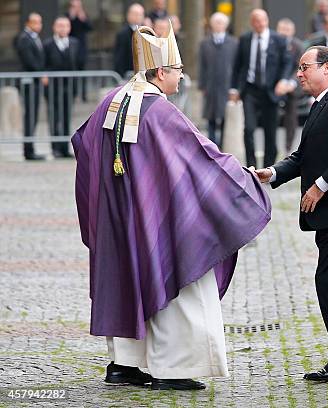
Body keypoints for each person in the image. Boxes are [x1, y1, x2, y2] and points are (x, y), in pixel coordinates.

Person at [72, 23, 271, 391]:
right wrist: (241, 177)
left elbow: (82, 142)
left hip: (117, 219)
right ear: (161, 72)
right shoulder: (161, 112)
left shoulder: (111, 101)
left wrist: (112, 200)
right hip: (155, 220)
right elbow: (199, 158)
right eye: (178, 71)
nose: (182, 77)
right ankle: (174, 367)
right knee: (178, 274)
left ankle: (125, 365)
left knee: (126, 281)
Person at [255, 46, 328, 382]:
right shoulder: (322, 103)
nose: (299, 74)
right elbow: (303, 156)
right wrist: (272, 173)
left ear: (326, 68)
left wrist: (320, 186)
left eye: (304, 67)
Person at [229, 9, 292, 168]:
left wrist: (283, 81)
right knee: (249, 129)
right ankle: (251, 166)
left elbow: (287, 63)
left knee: (270, 131)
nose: (260, 24)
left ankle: (268, 168)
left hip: (270, 90)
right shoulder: (245, 39)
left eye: (262, 20)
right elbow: (237, 66)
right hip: (250, 90)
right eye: (256, 21)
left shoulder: (278, 40)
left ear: (267, 21)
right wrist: (234, 90)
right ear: (252, 23)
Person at [198, 12, 238, 146]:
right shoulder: (205, 43)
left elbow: (237, 65)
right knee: (211, 117)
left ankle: (222, 145)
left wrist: (235, 87)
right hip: (210, 85)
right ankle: (212, 144)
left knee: (225, 116)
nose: (218, 25)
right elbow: (202, 66)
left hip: (226, 85)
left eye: (221, 23)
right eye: (216, 22)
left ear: (226, 25)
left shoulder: (233, 43)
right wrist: (202, 85)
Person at [43, 16, 80, 158]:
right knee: (54, 116)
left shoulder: (75, 43)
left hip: (69, 87)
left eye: (66, 26)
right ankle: (55, 148)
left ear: (69, 28)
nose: (63, 29)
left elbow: (78, 64)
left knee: (66, 117)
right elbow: (44, 64)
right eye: (60, 26)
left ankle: (65, 148)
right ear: (54, 27)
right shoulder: (47, 44)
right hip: (53, 87)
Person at [14, 12, 46, 160]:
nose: (38, 25)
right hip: (29, 82)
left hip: (34, 82)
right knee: (30, 116)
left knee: (33, 116)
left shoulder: (33, 38)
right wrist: (41, 74)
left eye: (40, 22)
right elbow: (30, 61)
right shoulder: (25, 39)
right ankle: (28, 150)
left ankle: (30, 148)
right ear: (28, 23)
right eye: (35, 22)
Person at [276, 18, 304, 153]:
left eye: (287, 30)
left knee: (291, 118)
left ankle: (288, 147)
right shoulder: (272, 43)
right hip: (275, 86)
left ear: (292, 31)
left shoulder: (298, 46)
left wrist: (290, 83)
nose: (284, 33)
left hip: (292, 86)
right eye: (282, 30)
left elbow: (299, 66)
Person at [66, 0, 92, 99]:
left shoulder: (83, 16)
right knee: (73, 72)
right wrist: (71, 17)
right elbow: (67, 29)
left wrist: (83, 17)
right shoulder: (67, 17)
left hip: (82, 49)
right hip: (71, 49)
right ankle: (74, 93)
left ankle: (84, 95)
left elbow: (90, 28)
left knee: (83, 72)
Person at [113, 3, 145, 78]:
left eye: (140, 14)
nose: (138, 17)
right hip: (128, 75)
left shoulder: (146, 32)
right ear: (129, 15)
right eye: (136, 14)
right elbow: (119, 57)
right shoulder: (122, 34)